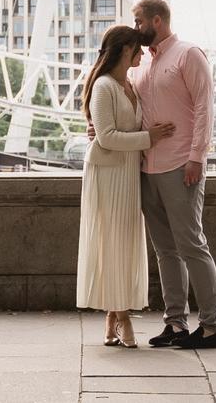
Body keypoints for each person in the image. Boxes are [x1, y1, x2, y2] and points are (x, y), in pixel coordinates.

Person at [131, 0, 216, 348]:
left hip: (180, 164)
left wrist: (197, 157)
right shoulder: (139, 67)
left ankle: (213, 326)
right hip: (147, 166)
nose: (135, 27)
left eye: (139, 21)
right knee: (165, 251)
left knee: (191, 245)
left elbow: (204, 107)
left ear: (157, 21)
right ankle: (175, 324)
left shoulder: (189, 55)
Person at [76, 24, 175, 348]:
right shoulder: (104, 86)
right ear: (123, 50)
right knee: (113, 244)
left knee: (124, 244)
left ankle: (111, 318)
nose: (143, 53)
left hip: (129, 172)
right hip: (107, 175)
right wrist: (150, 138)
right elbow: (106, 137)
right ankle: (123, 317)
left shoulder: (129, 84)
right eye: (138, 48)